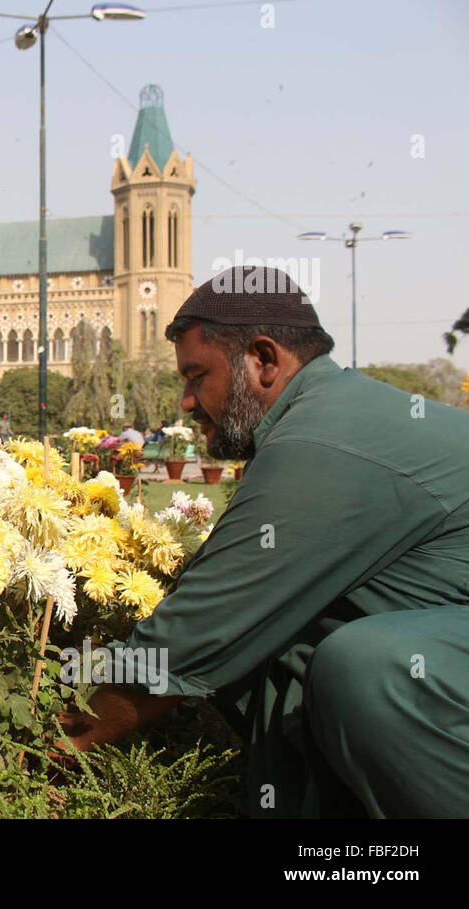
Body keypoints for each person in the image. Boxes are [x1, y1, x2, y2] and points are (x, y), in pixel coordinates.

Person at [60, 265, 469, 818]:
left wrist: (47, 737)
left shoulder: (322, 441)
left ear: (264, 360)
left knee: (368, 667)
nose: (185, 401)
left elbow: (194, 631)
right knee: (294, 646)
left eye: (196, 375)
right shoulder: (326, 413)